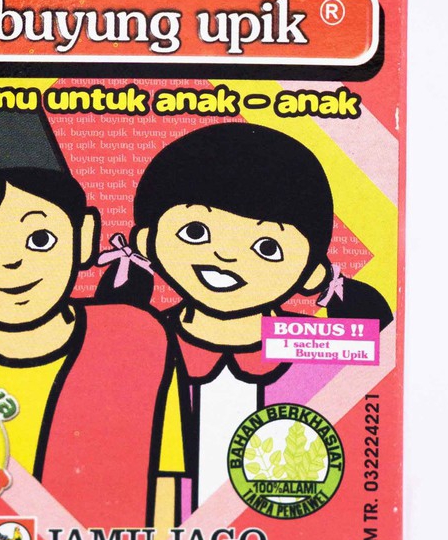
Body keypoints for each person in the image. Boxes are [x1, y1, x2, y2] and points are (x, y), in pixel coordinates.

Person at [0, 98, 184, 530]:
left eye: (39, 239)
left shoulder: (138, 337)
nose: (13, 264)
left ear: (84, 237)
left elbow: (167, 477)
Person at [110, 122, 392, 513]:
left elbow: (375, 387)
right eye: (195, 231)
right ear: (146, 241)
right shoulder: (145, 342)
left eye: (267, 247)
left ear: (311, 272)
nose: (225, 256)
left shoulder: (315, 345)